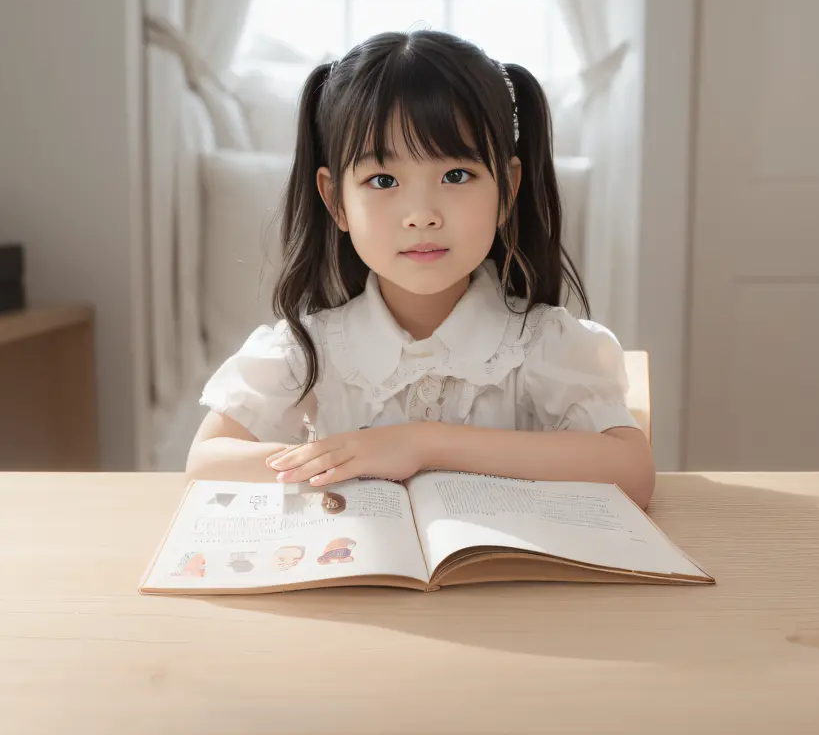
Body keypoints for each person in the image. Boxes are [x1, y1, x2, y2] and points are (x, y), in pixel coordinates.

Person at [186, 30, 655, 508]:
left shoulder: (541, 344)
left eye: (456, 175)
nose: (421, 214)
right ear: (335, 200)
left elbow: (631, 471)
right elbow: (206, 463)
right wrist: (351, 459)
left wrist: (423, 444)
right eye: (383, 180)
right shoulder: (311, 350)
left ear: (508, 189)